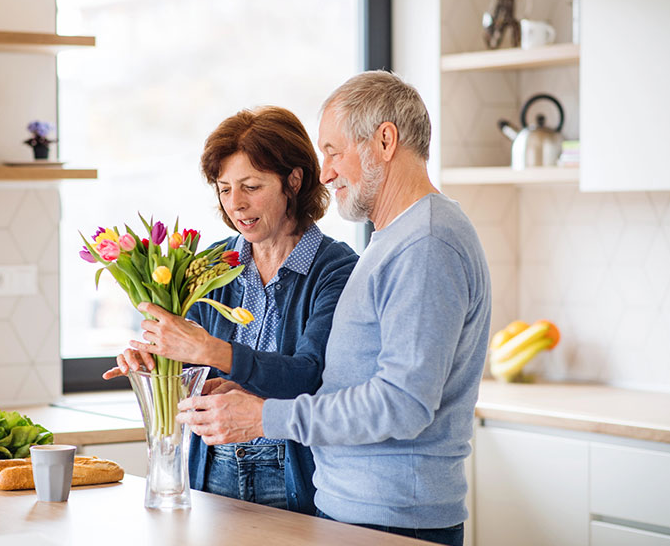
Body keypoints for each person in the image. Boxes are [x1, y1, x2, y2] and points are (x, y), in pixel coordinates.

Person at [176, 71, 492, 546]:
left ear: (385, 140)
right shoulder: (397, 239)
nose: (325, 172)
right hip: (359, 509)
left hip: (392, 517)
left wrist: (266, 418)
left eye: (333, 151)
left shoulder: (426, 243)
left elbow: (402, 404)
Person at [103, 105, 358, 515]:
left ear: (293, 181)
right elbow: (188, 366)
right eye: (224, 189)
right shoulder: (212, 265)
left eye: (251, 186)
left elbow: (311, 375)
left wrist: (210, 351)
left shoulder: (337, 270)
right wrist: (153, 360)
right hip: (212, 468)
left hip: (294, 472)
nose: (235, 204)